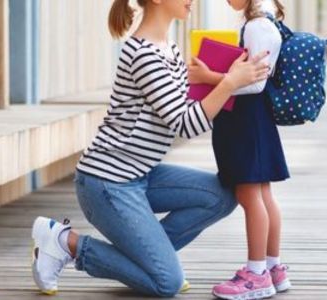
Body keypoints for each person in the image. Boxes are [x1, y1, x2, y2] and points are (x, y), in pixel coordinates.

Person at [30, 0, 270, 297]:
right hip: (107, 183)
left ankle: (149, 260)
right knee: (166, 283)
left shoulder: (167, 48)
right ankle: (66, 242)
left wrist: (216, 79)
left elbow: (186, 109)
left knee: (222, 195)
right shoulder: (143, 54)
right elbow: (184, 124)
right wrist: (230, 83)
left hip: (141, 175)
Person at [188, 0, 291, 299]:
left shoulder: (258, 26)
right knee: (262, 194)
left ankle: (257, 272)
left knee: (250, 195)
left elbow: (254, 84)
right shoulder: (263, 22)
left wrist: (208, 78)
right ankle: (273, 267)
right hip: (253, 121)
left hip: (246, 122)